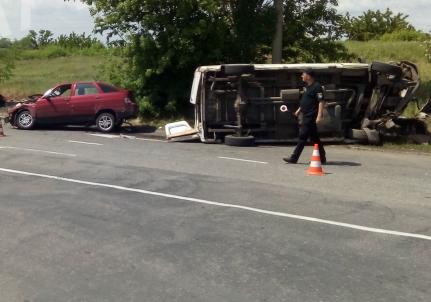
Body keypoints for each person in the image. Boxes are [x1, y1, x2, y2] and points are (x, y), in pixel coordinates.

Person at [283, 69, 326, 164]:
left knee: (302, 136)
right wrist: (298, 110)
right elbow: (305, 101)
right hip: (306, 114)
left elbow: (321, 101)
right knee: (314, 138)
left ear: (309, 76)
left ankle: (294, 158)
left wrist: (319, 115)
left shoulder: (317, 87)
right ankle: (322, 157)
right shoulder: (308, 87)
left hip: (311, 115)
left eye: (303, 74)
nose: (302, 76)